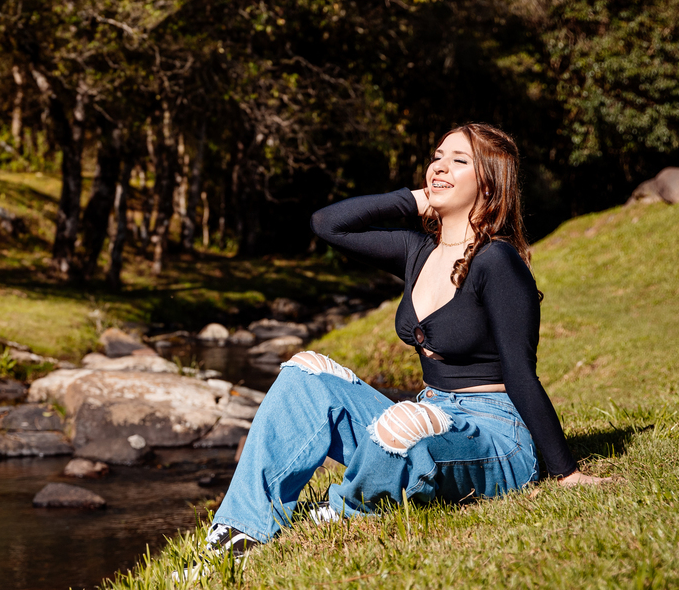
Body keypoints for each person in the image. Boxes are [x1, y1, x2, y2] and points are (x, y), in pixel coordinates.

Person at [199, 123, 611, 562]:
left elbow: (519, 371)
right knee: (305, 374)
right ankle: (238, 533)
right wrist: (417, 199)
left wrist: (565, 472)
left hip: (494, 434)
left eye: (459, 161)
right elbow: (327, 224)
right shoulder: (417, 251)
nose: (440, 167)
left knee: (404, 426)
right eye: (438, 157)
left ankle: (343, 509)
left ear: (489, 183)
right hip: (431, 409)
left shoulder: (498, 261)